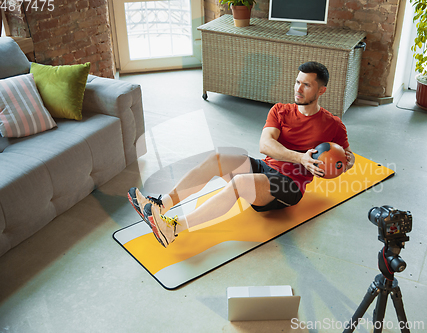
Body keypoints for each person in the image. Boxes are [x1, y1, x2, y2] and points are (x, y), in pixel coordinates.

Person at [128, 61, 355, 248]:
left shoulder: (333, 125)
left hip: (290, 185)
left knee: (240, 183)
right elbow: (265, 145)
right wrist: (300, 157)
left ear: (321, 90)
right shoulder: (280, 110)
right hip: (266, 169)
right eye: (297, 82)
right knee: (218, 158)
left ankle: (173, 228)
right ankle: (160, 205)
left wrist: (347, 162)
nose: (298, 88)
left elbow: (345, 159)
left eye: (306, 85)